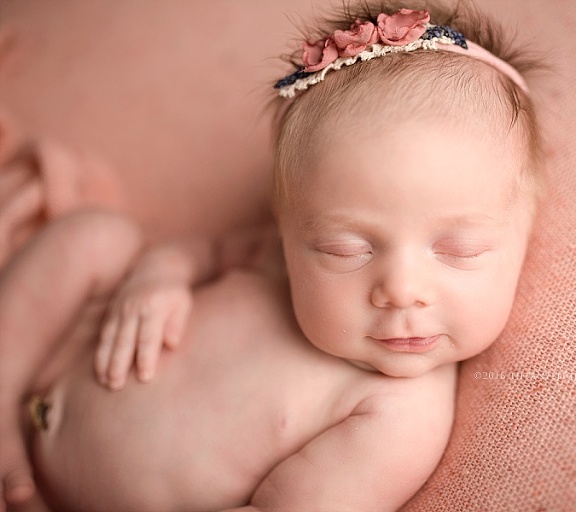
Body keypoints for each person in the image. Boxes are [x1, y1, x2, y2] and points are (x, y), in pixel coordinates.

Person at [0, 2, 543, 511]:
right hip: (65, 341)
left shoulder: (400, 418)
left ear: (524, 230)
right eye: (344, 248)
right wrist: (157, 278)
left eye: (458, 249)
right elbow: (205, 251)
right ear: (287, 227)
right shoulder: (276, 258)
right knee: (96, 235)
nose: (402, 288)